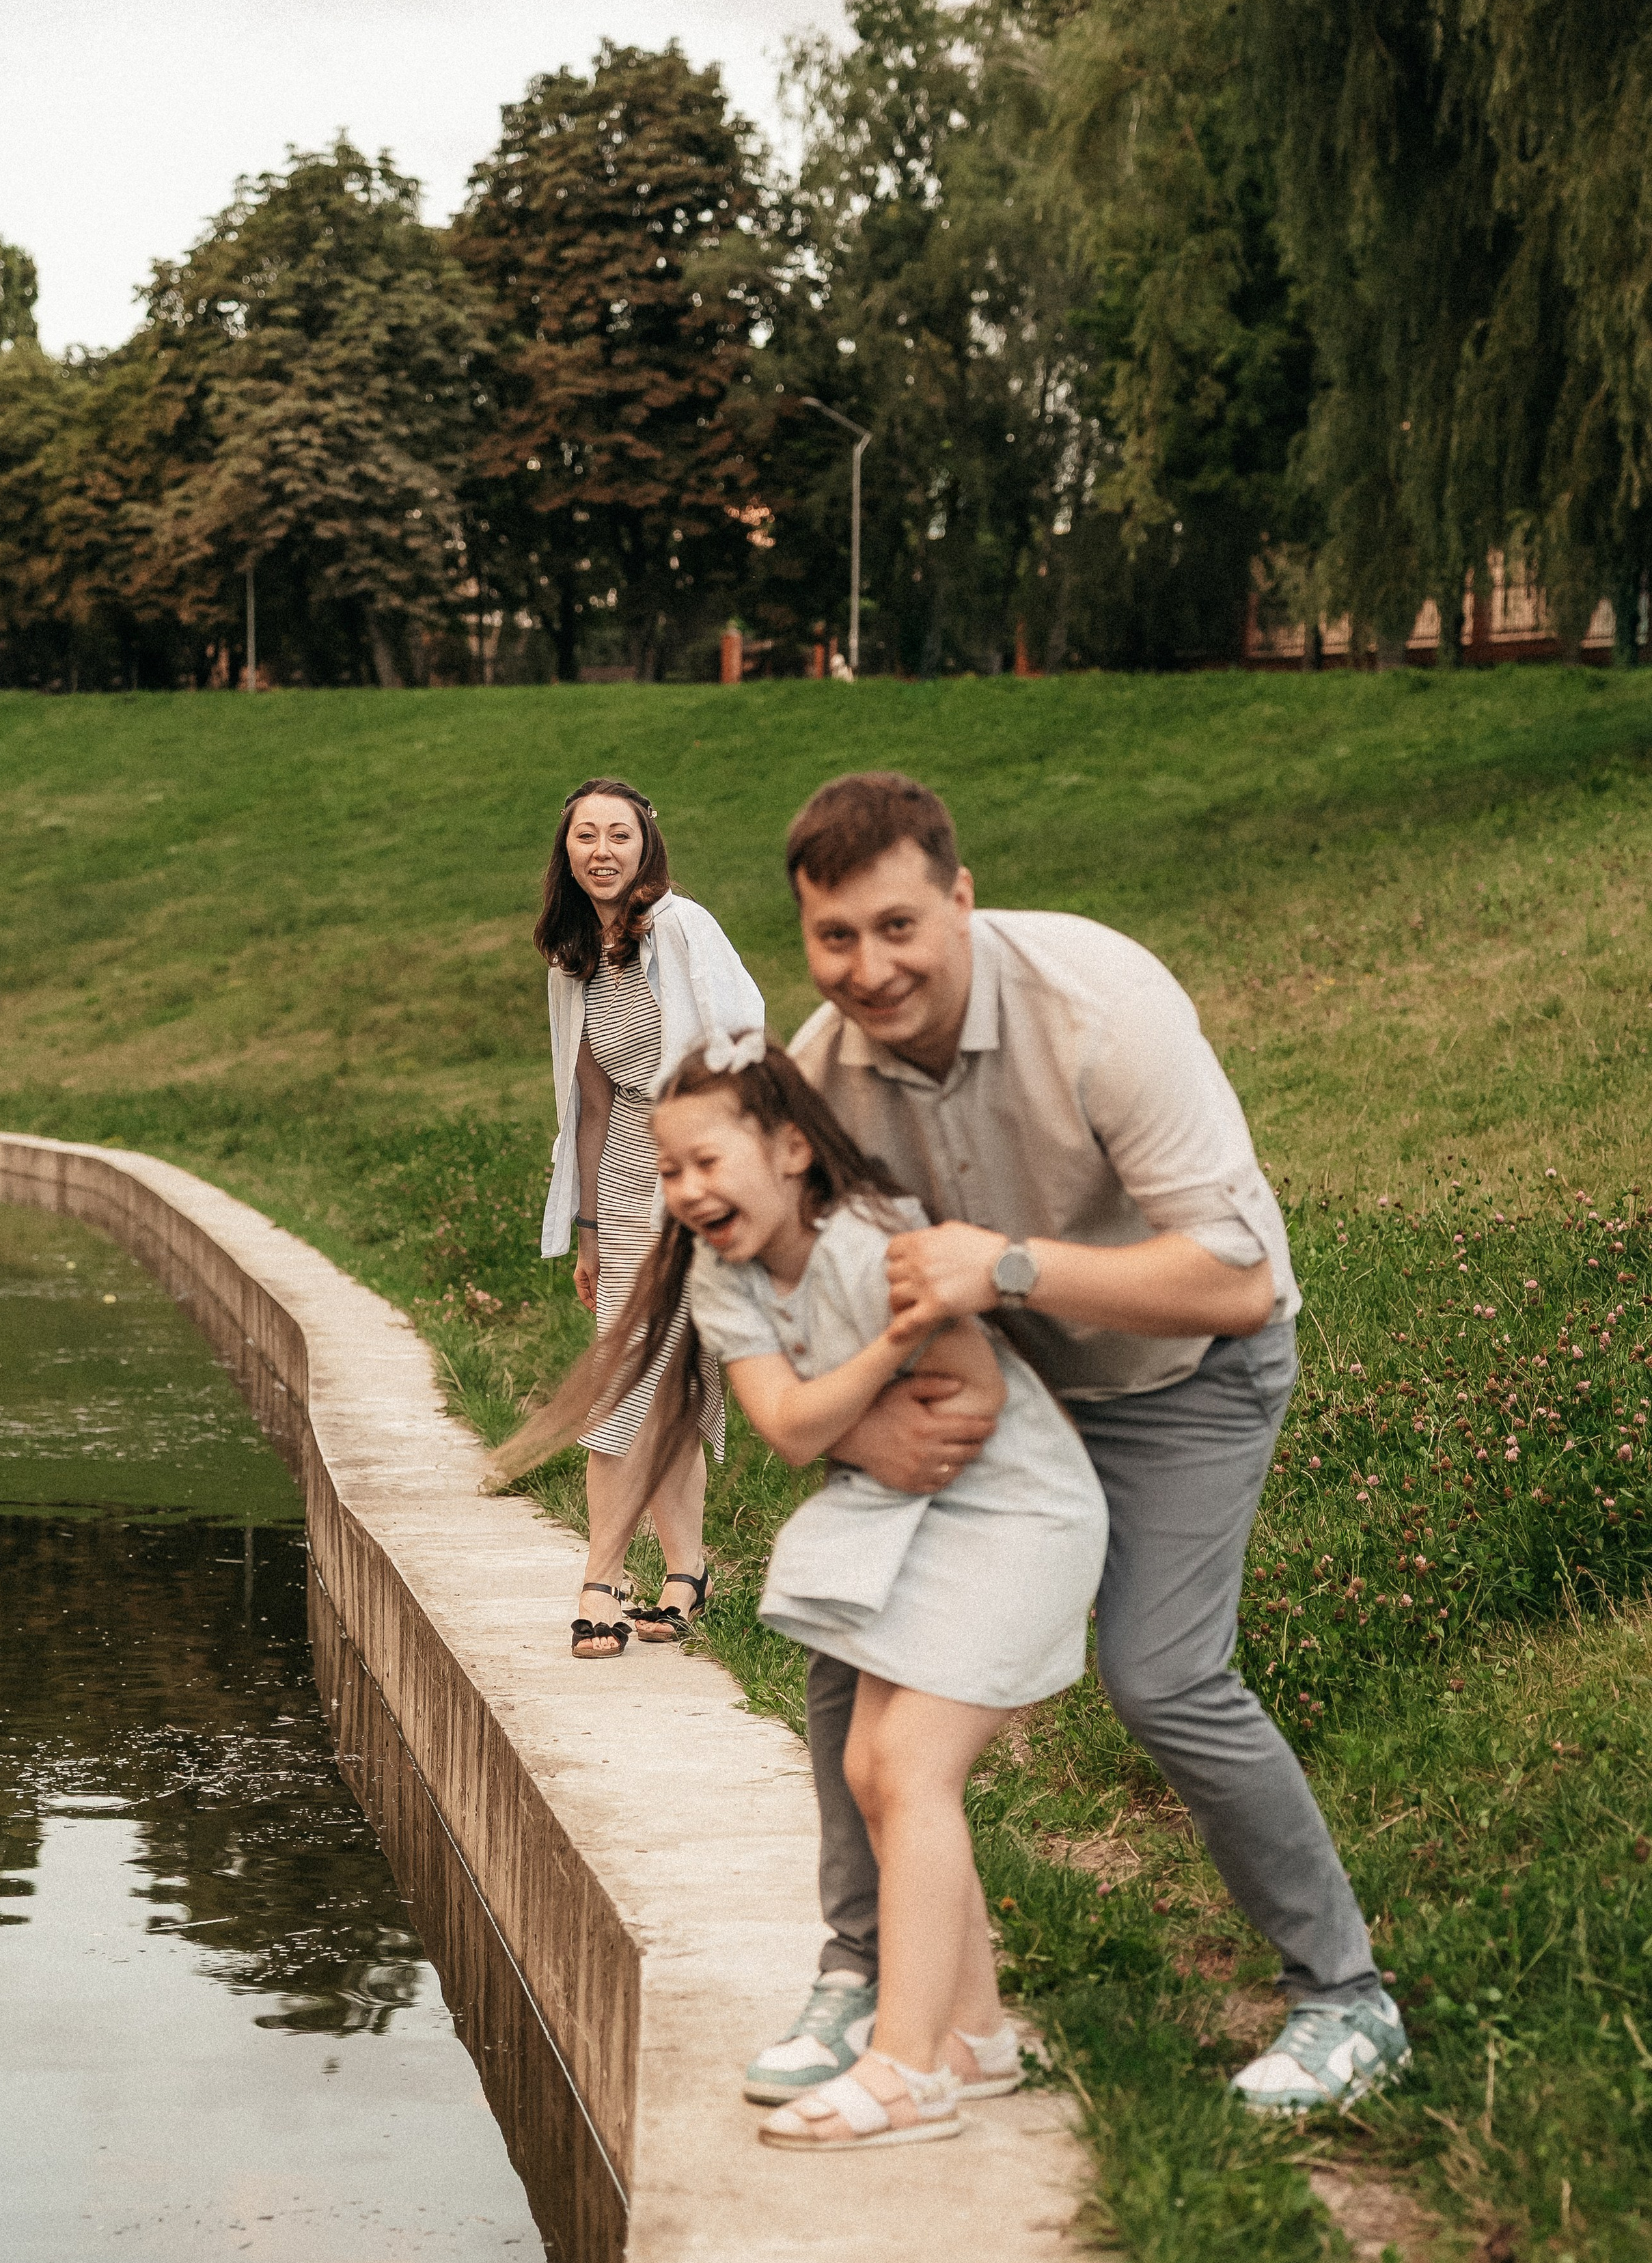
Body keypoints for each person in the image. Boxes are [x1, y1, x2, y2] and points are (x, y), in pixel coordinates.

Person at [741, 771, 1409, 2118]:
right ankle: (869, 1976)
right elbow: (775, 1283)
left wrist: (1013, 1270)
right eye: (833, 938)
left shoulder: (1101, 1011)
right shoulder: (816, 1074)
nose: (867, 971)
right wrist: (869, 1420)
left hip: (1183, 1372)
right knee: (842, 1627)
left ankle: (1345, 2001)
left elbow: (1234, 1280)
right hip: (1001, 1393)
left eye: (896, 927)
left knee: (1161, 1676)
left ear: (960, 900)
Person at [488, 1035, 1107, 2147]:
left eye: (708, 1163)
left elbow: (965, 1404)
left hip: (1018, 1513)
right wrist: (878, 1369)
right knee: (873, 1768)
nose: (687, 1192)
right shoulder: (726, 1285)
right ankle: (975, 2036)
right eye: (669, 1172)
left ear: (788, 1149)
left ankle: (904, 2070)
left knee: (906, 1767)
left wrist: (874, 1389)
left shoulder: (875, 1250)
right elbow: (785, 1428)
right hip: (908, 1513)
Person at [533, 778, 762, 1659]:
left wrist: (722, 1183)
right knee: (635, 1379)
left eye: (618, 835)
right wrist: (587, 1225)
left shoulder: (682, 928)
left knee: (654, 1382)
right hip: (623, 1187)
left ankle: (609, 1578)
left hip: (694, 1192)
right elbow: (584, 1104)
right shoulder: (575, 956)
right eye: (585, 836)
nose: (602, 850)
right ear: (567, 853)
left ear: (645, 845)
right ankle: (675, 1569)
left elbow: (744, 1036)